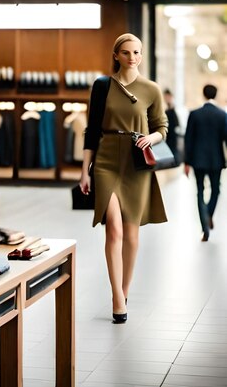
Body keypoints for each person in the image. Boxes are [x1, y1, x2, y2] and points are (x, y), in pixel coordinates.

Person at [79, 33, 168, 324]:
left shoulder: (151, 89)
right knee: (113, 228)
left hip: (135, 161)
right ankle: (117, 297)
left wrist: (150, 139)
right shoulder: (102, 86)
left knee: (131, 232)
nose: (133, 57)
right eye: (127, 52)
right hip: (105, 159)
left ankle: (124, 290)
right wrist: (84, 171)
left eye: (137, 52)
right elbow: (91, 130)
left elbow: (162, 128)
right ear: (116, 55)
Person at [183, 84, 227, 242]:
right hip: (216, 160)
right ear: (215, 95)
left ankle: (204, 227)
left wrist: (186, 162)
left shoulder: (194, 114)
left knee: (200, 191)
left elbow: (188, 140)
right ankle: (208, 214)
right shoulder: (222, 115)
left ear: (203, 94)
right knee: (216, 190)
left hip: (198, 160)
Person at [163, 89, 181, 165]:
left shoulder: (172, 109)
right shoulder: (168, 109)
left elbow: (176, 123)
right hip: (169, 134)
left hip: (172, 135)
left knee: (172, 151)